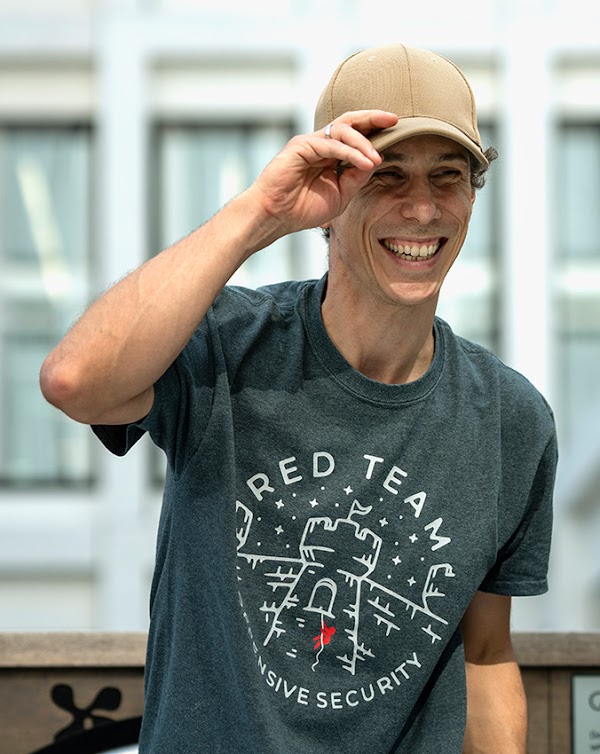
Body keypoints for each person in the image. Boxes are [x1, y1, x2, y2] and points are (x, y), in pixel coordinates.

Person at [40, 43, 557, 753]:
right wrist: (261, 212)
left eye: (449, 176)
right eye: (387, 177)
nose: (423, 206)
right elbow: (74, 381)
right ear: (329, 195)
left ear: (474, 193)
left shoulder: (511, 420)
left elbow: (486, 652)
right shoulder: (226, 346)